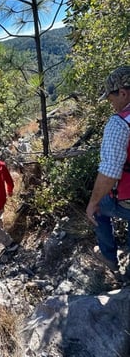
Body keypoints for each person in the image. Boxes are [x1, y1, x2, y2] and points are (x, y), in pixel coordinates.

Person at [86, 65, 130, 272]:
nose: (111, 103)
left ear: (122, 92)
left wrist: (93, 203)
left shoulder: (120, 123)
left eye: (111, 98)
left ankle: (109, 258)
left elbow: (109, 173)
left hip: (127, 199)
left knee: (98, 212)